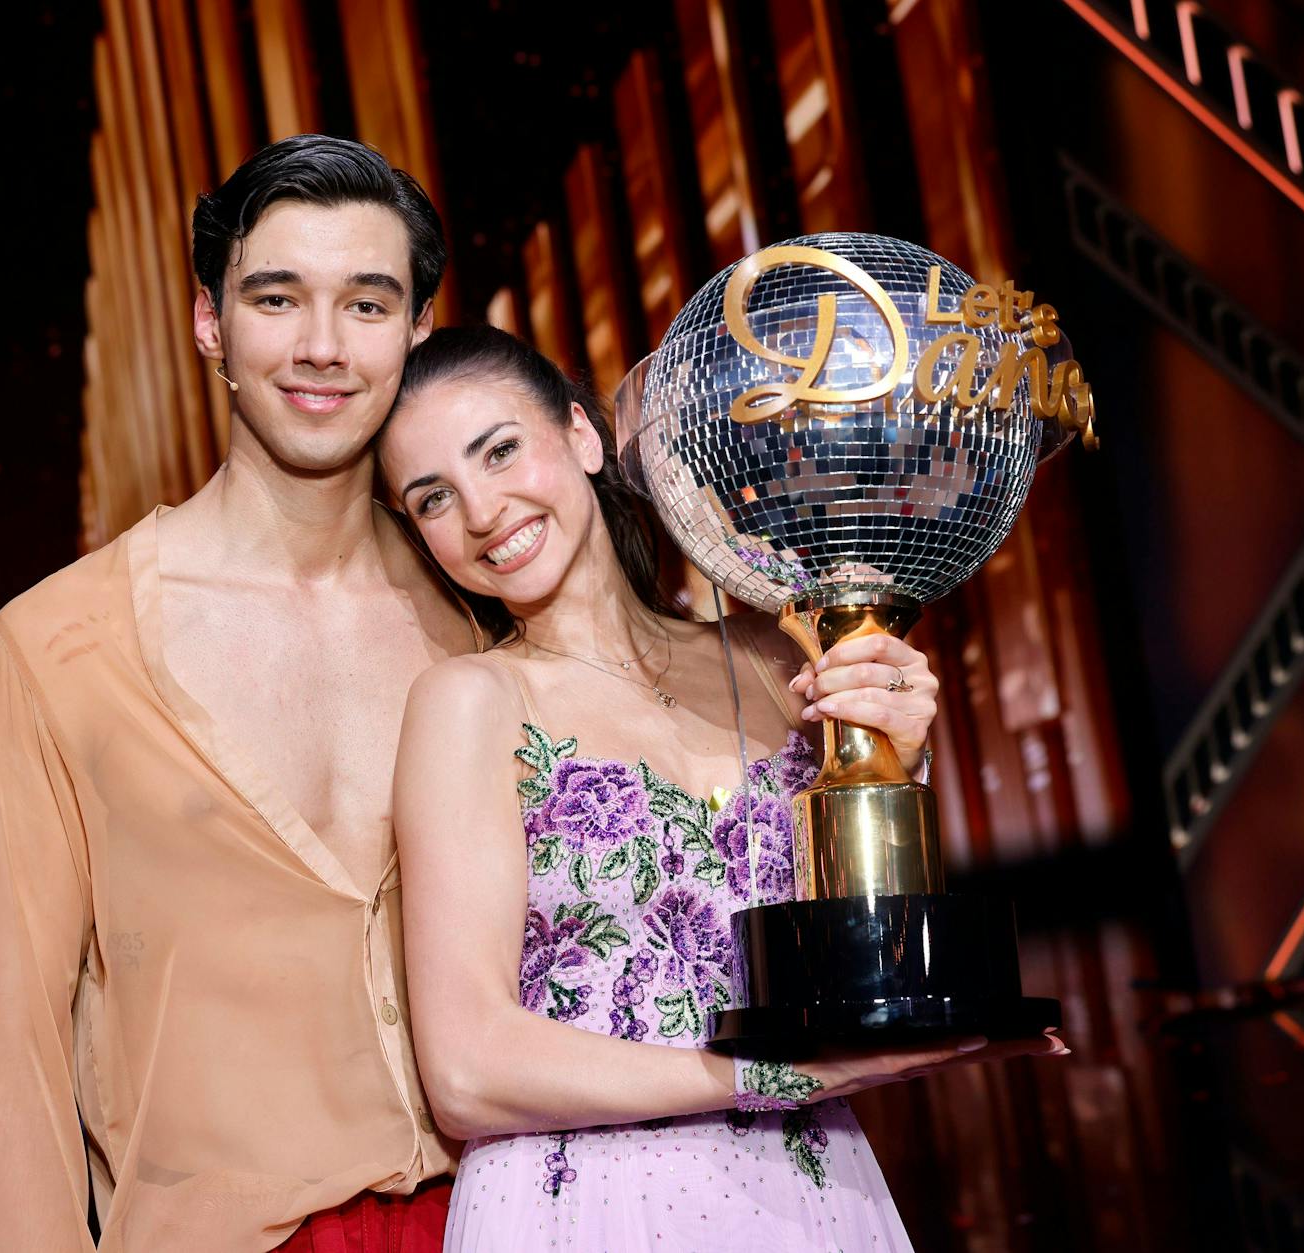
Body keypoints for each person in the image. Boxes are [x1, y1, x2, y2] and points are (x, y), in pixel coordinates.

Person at [380, 326, 1066, 1250]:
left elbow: (858, 962)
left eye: (500, 450)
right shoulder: (470, 702)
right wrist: (760, 1077)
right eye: (434, 498)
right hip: (588, 1202)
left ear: (582, 437)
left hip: (812, 1183)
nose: (483, 511)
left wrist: (899, 760)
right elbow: (466, 1070)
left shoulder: (775, 655)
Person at [0, 135, 479, 1251]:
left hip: (514, 1213)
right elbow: (7, 1061)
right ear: (209, 321)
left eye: (368, 304)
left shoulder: (482, 608)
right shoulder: (50, 647)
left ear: (418, 330)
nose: (322, 347)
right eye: (277, 297)